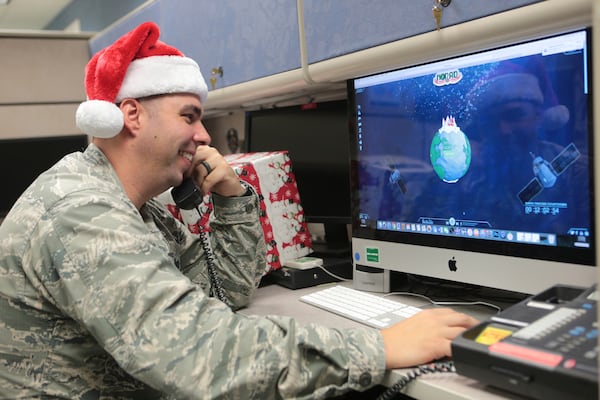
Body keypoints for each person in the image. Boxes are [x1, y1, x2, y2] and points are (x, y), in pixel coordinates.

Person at [0, 22, 478, 399]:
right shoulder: (83, 212)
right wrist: (379, 347)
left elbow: (222, 292)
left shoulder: (140, 209)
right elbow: (198, 355)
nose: (205, 136)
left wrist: (230, 198)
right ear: (131, 115)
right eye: (189, 115)